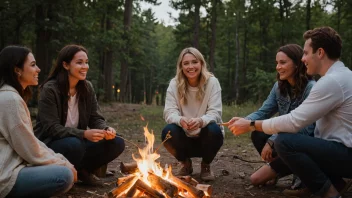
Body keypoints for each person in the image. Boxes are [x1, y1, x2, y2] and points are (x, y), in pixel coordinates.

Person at [229, 26, 352, 198]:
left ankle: (329, 194)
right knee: (277, 141)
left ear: (320, 53)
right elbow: (266, 111)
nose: (303, 59)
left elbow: (295, 122)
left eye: (306, 53)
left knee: (286, 142)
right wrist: (245, 121)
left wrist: (251, 125)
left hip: (345, 154)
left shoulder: (330, 82)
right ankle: (327, 182)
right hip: (337, 150)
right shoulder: (341, 76)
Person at [34, 44, 125, 186]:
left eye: (86, 62)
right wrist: (84, 134)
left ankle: (83, 171)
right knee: (74, 145)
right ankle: (62, 172)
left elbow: (96, 118)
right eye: (79, 62)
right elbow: (52, 128)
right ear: (65, 65)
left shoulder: (87, 87)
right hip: (51, 144)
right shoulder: (50, 89)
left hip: (79, 143)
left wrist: (106, 129)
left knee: (117, 142)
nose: (85, 67)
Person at [229, 44, 315, 187]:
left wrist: (272, 140)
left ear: (297, 64)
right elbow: (263, 112)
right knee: (257, 133)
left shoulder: (311, 88)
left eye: (283, 63)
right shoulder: (278, 87)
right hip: (283, 140)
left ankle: (301, 174)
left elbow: (305, 129)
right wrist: (244, 121)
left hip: (303, 144)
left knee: (255, 179)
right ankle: (277, 170)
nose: (278, 67)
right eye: (277, 63)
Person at [0, 46, 76, 198]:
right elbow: (29, 148)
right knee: (63, 175)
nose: (38, 69)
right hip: (5, 176)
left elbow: (30, 140)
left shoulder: (12, 96)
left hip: (13, 168)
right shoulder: (10, 100)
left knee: (64, 167)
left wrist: (60, 159)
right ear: (17, 70)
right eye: (33, 65)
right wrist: (63, 164)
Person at [162, 47, 224, 181]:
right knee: (168, 131)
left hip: (206, 136)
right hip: (184, 136)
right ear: (181, 66)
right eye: (186, 63)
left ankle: (206, 165)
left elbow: (216, 113)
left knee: (214, 129)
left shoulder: (212, 82)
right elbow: (169, 112)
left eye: (194, 62)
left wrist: (201, 121)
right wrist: (180, 120)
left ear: (201, 63)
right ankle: (185, 163)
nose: (191, 66)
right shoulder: (174, 84)